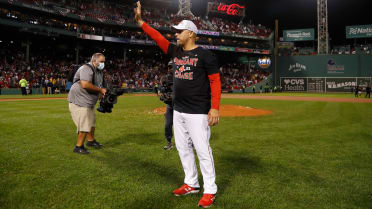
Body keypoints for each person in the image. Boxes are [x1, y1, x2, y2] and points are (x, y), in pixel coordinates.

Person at [134, 2, 221, 208]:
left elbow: (216, 81)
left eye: (179, 32)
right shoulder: (175, 51)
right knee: (183, 148)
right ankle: (191, 183)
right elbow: (158, 38)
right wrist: (141, 23)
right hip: (179, 109)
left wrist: (215, 107)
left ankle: (210, 189)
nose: (175, 35)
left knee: (203, 151)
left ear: (190, 33)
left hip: (198, 111)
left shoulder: (205, 55)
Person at [68, 53, 107, 154]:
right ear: (94, 61)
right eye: (101, 61)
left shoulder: (99, 72)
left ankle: (90, 141)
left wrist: (101, 93)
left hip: (88, 100)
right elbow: (85, 84)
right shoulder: (87, 68)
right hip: (80, 100)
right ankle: (79, 147)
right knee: (85, 123)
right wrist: (100, 90)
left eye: (104, 62)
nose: (103, 64)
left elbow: (98, 86)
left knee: (92, 121)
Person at [160, 61, 174, 150]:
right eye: (169, 67)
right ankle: (169, 142)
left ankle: (190, 143)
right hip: (170, 106)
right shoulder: (165, 78)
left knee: (185, 126)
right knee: (168, 125)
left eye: (172, 66)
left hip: (180, 106)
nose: (170, 68)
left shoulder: (181, 78)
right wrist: (163, 96)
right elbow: (163, 91)